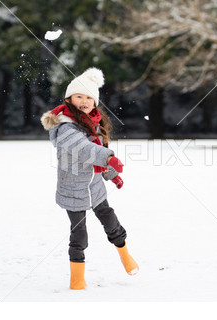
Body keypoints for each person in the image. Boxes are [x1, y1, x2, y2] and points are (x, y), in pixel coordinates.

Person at [40, 67, 138, 290]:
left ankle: (125, 255)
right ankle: (77, 278)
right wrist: (109, 158)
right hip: (73, 188)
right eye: (78, 96)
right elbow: (84, 149)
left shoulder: (93, 123)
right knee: (79, 233)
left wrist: (111, 175)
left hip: (94, 186)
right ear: (69, 99)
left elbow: (96, 150)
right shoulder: (65, 126)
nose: (84, 101)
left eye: (88, 97)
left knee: (110, 220)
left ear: (94, 102)